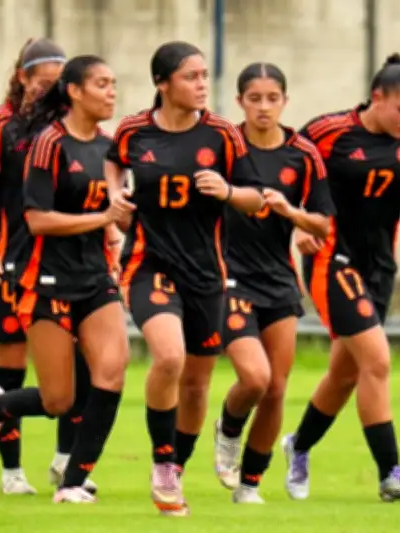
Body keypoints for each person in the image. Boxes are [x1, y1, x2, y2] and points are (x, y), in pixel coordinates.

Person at [105, 41, 265, 515]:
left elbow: (259, 198)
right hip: (148, 265)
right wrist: (115, 199)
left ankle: (176, 470)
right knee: (169, 357)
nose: (201, 85)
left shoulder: (222, 135)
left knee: (196, 385)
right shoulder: (134, 130)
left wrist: (230, 190)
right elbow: (114, 161)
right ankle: (161, 461)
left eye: (203, 75)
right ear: (162, 83)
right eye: (190, 76)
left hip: (206, 274)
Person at [0, 55, 129, 504]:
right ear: (74, 92)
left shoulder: (111, 147)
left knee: (112, 375)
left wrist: (118, 238)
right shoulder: (47, 144)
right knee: (60, 400)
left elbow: (113, 214)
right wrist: (102, 217)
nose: (111, 92)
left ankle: (74, 481)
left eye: (114, 83)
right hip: (45, 281)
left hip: (96, 278)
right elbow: (37, 219)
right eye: (102, 83)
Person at [283, 53, 400, 502]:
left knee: (346, 373)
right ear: (377, 98)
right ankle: (391, 473)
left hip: (379, 267)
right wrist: (298, 226)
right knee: (377, 361)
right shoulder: (327, 132)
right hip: (331, 259)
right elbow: (288, 181)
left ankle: (299, 444)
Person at [197, 63, 335, 504]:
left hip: (278, 279)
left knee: (276, 387)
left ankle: (251, 484)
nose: (263, 107)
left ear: (285, 102)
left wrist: (290, 213)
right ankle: (229, 428)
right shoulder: (224, 145)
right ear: (239, 102)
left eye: (272, 98)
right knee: (254, 379)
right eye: (254, 98)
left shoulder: (303, 154)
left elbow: (323, 224)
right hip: (229, 278)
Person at [0, 37, 80, 495]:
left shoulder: (73, 125)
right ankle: (12, 474)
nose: (50, 93)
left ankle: (67, 461)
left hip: (67, 269)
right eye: (43, 83)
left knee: (74, 369)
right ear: (22, 78)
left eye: (59, 84)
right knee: (10, 369)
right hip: (10, 267)